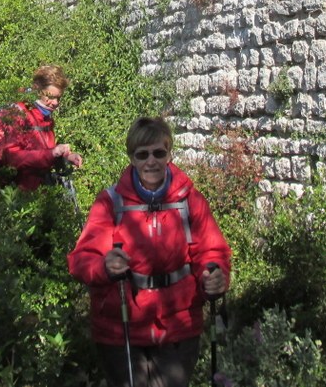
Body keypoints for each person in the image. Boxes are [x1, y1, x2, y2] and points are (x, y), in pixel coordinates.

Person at [68, 117, 231, 387]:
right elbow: (81, 259)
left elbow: (212, 249)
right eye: (142, 154)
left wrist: (214, 273)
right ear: (131, 158)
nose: (151, 161)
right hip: (121, 327)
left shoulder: (189, 200)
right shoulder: (110, 202)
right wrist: (105, 266)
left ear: (169, 154)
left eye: (158, 152)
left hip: (178, 323)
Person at [0, 64, 83, 190]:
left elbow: (43, 150)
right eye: (50, 97)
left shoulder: (44, 119)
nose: (55, 103)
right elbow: (10, 158)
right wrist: (52, 154)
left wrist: (65, 157)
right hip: (9, 198)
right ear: (37, 90)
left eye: (58, 98)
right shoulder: (16, 115)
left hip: (34, 194)